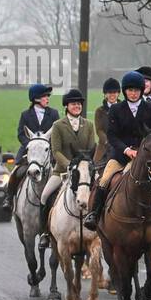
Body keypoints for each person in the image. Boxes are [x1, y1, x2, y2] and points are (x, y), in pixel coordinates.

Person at [83, 71, 151, 231]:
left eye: (136, 90)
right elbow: (111, 135)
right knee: (104, 180)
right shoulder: (116, 109)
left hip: (145, 157)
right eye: (130, 90)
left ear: (141, 91)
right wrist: (126, 150)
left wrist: (141, 150)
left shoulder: (150, 109)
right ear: (125, 91)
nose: (133, 93)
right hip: (120, 156)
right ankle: (94, 214)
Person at [39, 88, 97, 246]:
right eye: (73, 104)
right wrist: (70, 165)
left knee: (101, 191)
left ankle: (100, 226)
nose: (77, 106)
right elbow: (56, 150)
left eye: (78, 104)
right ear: (67, 106)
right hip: (63, 171)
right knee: (45, 196)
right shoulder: (58, 125)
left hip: (85, 171)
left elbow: (92, 148)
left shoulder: (89, 125)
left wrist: (85, 166)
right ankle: (45, 232)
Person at [5, 83, 60, 211]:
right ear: (36, 99)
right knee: (16, 171)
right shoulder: (25, 115)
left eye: (48, 96)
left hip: (48, 151)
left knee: (60, 173)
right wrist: (31, 145)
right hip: (29, 150)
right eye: (45, 96)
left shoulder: (54, 114)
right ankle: (8, 198)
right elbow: (20, 134)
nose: (48, 98)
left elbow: (57, 134)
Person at [93, 77, 121, 165]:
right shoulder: (99, 111)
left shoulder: (124, 109)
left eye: (114, 92)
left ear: (118, 93)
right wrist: (107, 141)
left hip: (121, 145)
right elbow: (99, 130)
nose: (112, 95)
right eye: (109, 92)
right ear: (105, 94)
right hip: (104, 147)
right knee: (95, 170)